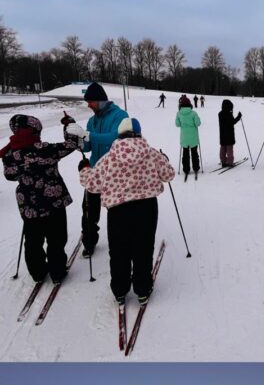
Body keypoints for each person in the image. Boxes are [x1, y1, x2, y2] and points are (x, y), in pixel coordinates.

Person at [79, 117, 174, 305]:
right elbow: (169, 174)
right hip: (146, 208)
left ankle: (120, 290)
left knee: (119, 250)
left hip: (118, 211)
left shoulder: (109, 157)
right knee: (143, 248)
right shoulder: (151, 153)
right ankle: (142, 289)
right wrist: (164, 159)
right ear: (139, 133)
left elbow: (92, 185)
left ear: (119, 135)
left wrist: (84, 169)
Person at [2, 115, 81, 284]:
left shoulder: (10, 152)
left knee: (33, 240)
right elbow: (72, 144)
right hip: (53, 202)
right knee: (56, 238)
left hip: (29, 205)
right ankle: (57, 273)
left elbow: (9, 175)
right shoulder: (44, 148)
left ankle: (37, 273)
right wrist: (69, 126)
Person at [77, 82, 128, 256]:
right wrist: (77, 138)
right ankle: (89, 241)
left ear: (100, 100)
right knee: (89, 210)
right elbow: (88, 146)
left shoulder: (120, 116)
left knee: (117, 212)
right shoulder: (92, 120)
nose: (88, 105)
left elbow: (114, 138)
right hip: (94, 171)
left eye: (91, 101)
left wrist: (89, 135)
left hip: (114, 172)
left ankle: (121, 241)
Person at [176, 97, 202, 180]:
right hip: (193, 137)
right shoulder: (193, 113)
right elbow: (198, 123)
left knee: (185, 154)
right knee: (194, 153)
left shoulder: (179, 113)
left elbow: (177, 124)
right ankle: (196, 167)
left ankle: (186, 169)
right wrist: (198, 119)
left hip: (184, 137)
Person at [217, 99, 242, 168]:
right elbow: (232, 122)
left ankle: (223, 161)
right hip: (229, 135)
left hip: (222, 135)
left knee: (223, 148)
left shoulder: (220, 114)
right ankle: (230, 162)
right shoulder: (228, 114)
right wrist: (238, 117)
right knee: (229, 149)